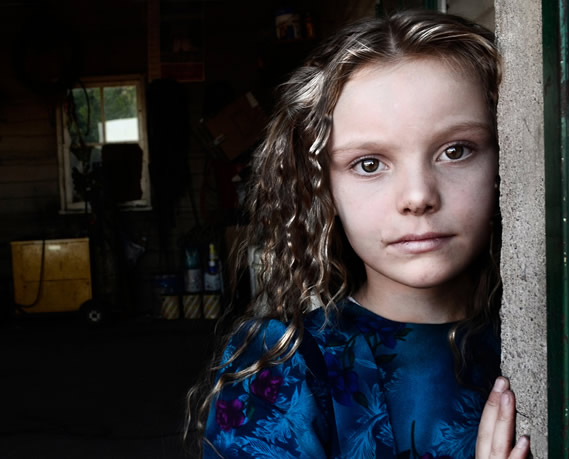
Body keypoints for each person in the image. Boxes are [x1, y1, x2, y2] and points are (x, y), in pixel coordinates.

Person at [187, 10, 531, 459]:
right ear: (323, 186)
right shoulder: (285, 364)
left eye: (456, 150)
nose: (417, 196)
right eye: (369, 164)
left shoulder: (544, 334)